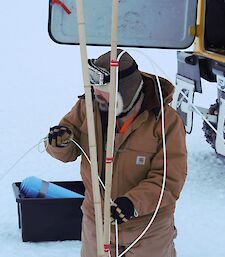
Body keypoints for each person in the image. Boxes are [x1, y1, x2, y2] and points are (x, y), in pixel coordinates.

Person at [46, 49, 187, 257]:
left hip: (147, 227)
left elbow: (169, 179)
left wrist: (132, 203)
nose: (98, 100)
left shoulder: (166, 121)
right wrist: (60, 143)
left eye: (105, 95)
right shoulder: (88, 107)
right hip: (97, 221)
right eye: (96, 92)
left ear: (126, 92)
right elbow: (68, 149)